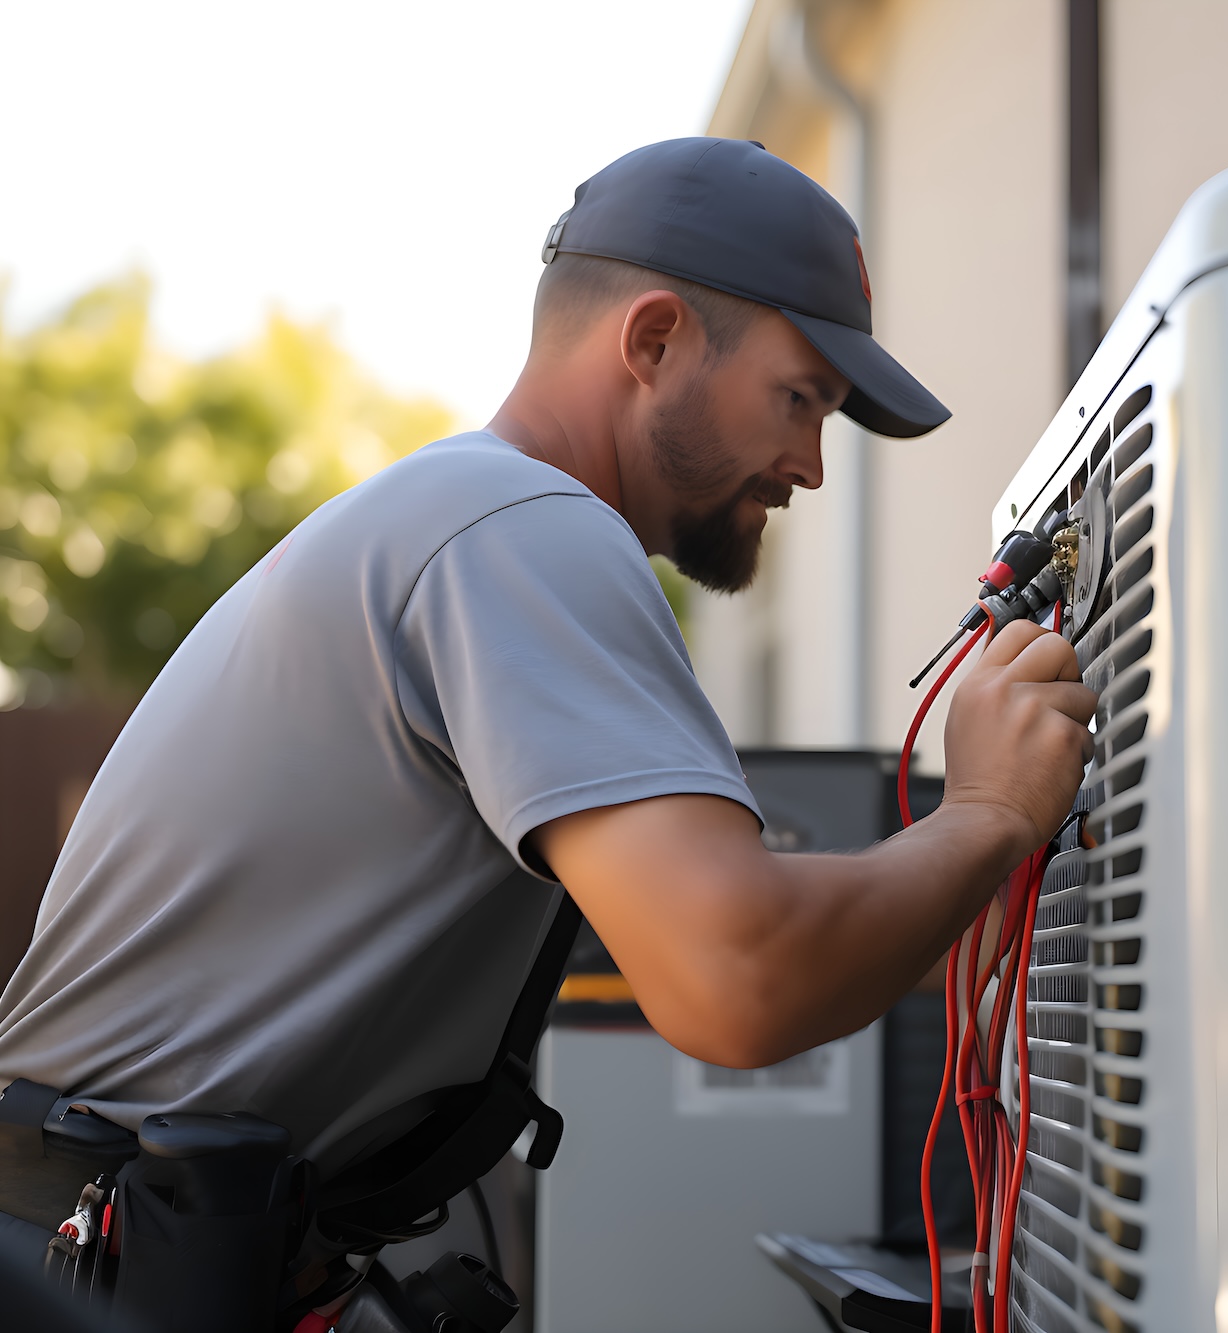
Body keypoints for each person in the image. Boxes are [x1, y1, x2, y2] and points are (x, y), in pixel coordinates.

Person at [0, 138, 1095, 1318]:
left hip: (119, 1247)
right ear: (655, 339)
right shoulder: (524, 528)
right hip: (109, 1275)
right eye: (799, 398)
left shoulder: (455, 512)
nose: (810, 468)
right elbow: (742, 974)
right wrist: (986, 810)